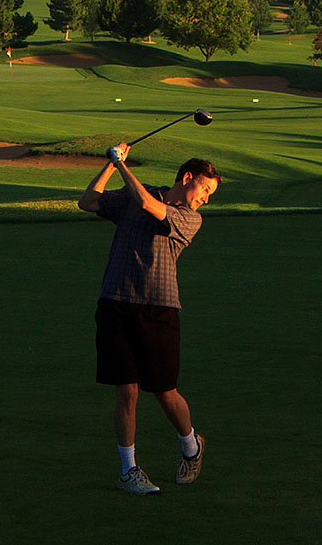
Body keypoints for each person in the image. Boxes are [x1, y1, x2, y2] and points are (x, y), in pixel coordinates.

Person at [78, 143, 222, 495]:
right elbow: (88, 202)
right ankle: (129, 471)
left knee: (164, 392)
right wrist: (110, 166)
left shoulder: (190, 218)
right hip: (114, 301)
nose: (205, 198)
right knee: (126, 391)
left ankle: (191, 444)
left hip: (159, 308)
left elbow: (146, 204)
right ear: (187, 178)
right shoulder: (137, 194)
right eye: (204, 188)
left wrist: (122, 164)